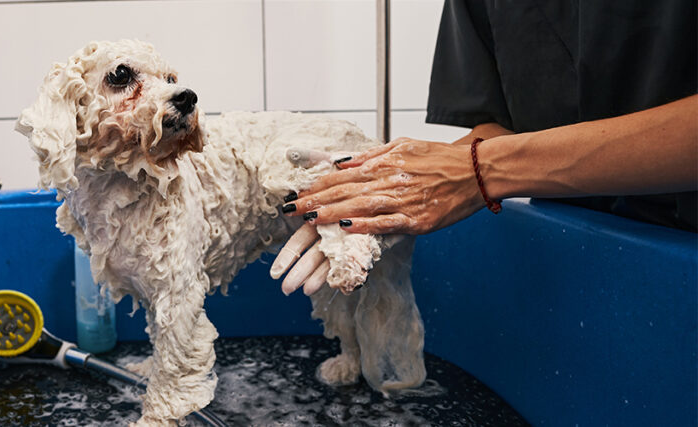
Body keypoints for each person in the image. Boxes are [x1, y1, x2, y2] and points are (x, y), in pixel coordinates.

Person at [273, 0, 697, 294]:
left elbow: (488, 162)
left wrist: (482, 170)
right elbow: (499, 125)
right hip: (566, 251)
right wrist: (378, 189)